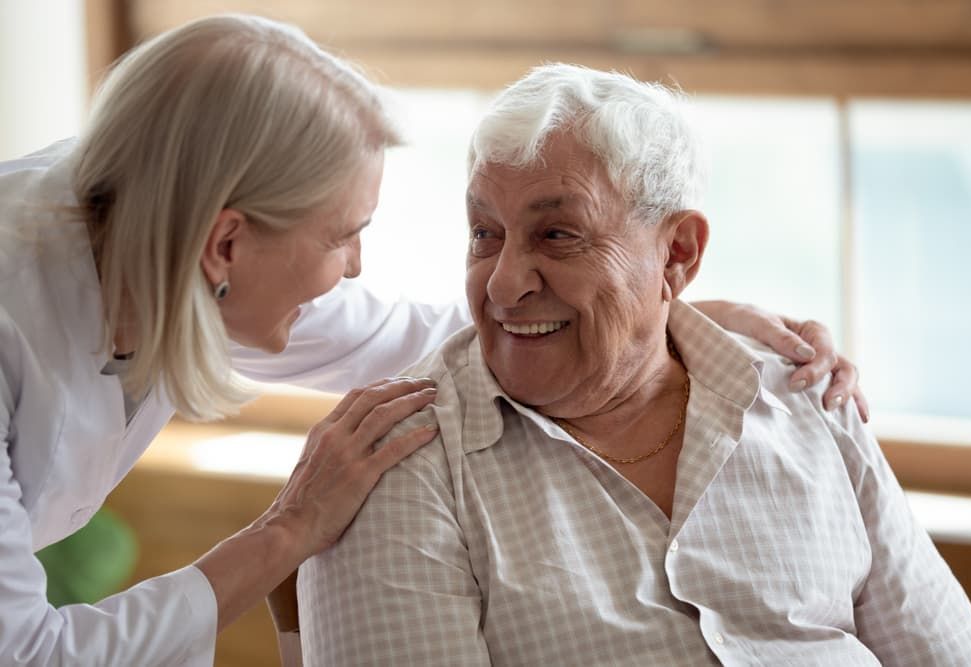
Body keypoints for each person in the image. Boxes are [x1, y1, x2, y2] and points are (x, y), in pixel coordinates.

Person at [0, 14, 862, 666]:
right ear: (226, 243)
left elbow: (454, 323)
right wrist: (284, 533)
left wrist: (676, 309)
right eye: (343, 235)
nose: (353, 267)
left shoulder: (172, 248)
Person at [298, 64, 971, 666]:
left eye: (558, 234)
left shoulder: (806, 392)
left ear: (679, 254)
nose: (505, 283)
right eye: (485, 232)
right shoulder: (400, 460)